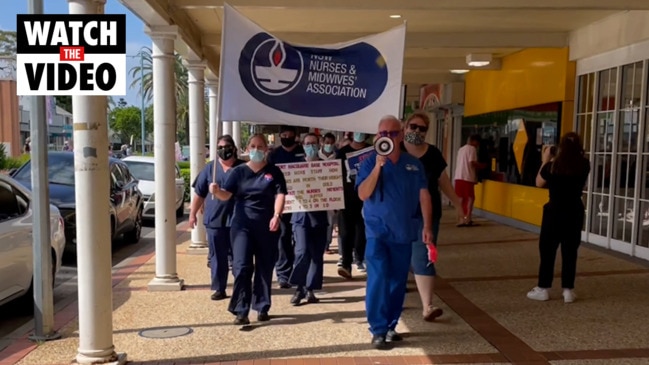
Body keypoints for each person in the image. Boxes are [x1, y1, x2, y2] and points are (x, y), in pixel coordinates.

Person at [356, 115, 433, 349]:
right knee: (378, 278)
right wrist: (379, 167)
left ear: (400, 135)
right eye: (382, 134)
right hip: (377, 232)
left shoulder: (413, 164)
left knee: (397, 282)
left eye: (391, 133)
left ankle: (390, 325)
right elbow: (363, 194)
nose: (386, 137)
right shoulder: (369, 162)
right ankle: (378, 329)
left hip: (403, 232)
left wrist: (428, 226)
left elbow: (424, 195)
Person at [211, 134, 287, 325]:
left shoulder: (274, 172)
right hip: (242, 226)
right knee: (242, 267)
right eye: (253, 146)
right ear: (247, 148)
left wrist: (276, 215)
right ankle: (241, 309)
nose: (256, 149)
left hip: (267, 226)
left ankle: (262, 306)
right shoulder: (238, 172)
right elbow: (226, 195)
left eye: (260, 146)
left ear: (266, 149)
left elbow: (280, 195)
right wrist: (216, 191)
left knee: (264, 267)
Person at [401, 111, 464, 322]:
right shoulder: (395, 151)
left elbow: (443, 181)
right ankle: (396, 294)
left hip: (427, 216)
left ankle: (428, 306)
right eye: (413, 127)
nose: (417, 131)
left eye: (422, 128)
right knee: (400, 255)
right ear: (405, 127)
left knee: (423, 256)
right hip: (399, 214)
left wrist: (458, 204)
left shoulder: (433, 154)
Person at [527, 132, 590, 303]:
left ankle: (543, 288)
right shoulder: (584, 164)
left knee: (547, 250)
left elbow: (538, 182)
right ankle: (568, 290)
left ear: (560, 147)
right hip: (575, 210)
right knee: (570, 251)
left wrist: (545, 159)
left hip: (554, 211)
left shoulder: (552, 167)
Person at [189, 135, 245, 301]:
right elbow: (199, 193)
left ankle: (241, 286)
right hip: (215, 220)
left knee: (240, 257)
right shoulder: (210, 169)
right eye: (219, 147)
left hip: (239, 220)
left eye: (226, 146)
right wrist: (192, 213)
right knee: (217, 257)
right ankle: (219, 288)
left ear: (234, 148)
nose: (223, 150)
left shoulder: (243, 168)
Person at [288, 133, 329, 305]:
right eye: (307, 144)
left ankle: (310, 289)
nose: (310, 146)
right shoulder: (295, 167)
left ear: (318, 145)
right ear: (302, 146)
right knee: (301, 252)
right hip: (300, 218)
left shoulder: (327, 168)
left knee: (316, 255)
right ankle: (299, 288)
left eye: (313, 143)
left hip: (319, 217)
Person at [267, 125, 305, 289]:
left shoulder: (303, 151)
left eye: (289, 134)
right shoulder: (274, 155)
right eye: (283, 134)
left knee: (299, 239)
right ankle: (283, 274)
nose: (286, 137)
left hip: (302, 203)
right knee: (282, 238)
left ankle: (297, 272)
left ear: (294, 135)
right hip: (281, 203)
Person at [336, 131, 370, 277]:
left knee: (362, 231)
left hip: (367, 198)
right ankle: (346, 263)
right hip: (346, 198)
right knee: (345, 232)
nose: (359, 134)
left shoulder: (372, 151)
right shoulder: (342, 153)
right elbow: (335, 175)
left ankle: (360, 259)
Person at [453, 134, 486, 226]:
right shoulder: (472, 149)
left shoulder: (461, 149)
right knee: (470, 198)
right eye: (477, 143)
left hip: (458, 177)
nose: (477, 145)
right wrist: (482, 166)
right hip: (467, 177)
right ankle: (467, 219)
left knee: (460, 199)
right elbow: (472, 163)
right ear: (474, 141)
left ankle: (460, 220)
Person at [318, 132, 338, 254]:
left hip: (331, 193)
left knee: (330, 222)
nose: (329, 145)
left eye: (331, 143)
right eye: (327, 143)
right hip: (317, 193)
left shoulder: (337, 156)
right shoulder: (315, 155)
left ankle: (326, 245)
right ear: (322, 142)